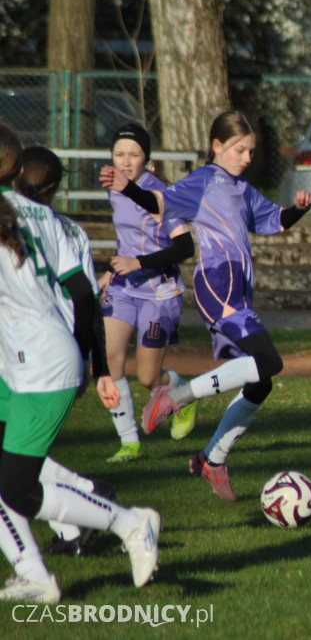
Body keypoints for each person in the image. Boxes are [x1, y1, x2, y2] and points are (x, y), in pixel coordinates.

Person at [100, 110, 311, 502]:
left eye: (250, 150)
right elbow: (157, 200)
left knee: (260, 382)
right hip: (218, 283)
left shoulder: (242, 188)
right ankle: (176, 397)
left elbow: (275, 220)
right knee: (269, 362)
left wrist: (299, 209)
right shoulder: (202, 181)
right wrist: (128, 187)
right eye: (239, 149)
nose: (246, 157)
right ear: (217, 146)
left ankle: (211, 459)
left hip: (238, 290)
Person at [0, 123, 160, 602]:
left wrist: (94, 364)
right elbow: (79, 294)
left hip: (41, 365)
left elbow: (82, 296)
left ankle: (130, 523)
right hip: (22, 359)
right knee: (10, 482)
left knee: (17, 491)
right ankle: (35, 574)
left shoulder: (12, 214)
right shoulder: (34, 214)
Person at [11, 145, 123, 555]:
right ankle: (74, 528)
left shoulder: (14, 222)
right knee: (17, 450)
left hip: (28, 349)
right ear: (56, 188)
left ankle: (88, 497)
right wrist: (97, 367)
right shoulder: (70, 230)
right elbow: (87, 299)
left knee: (15, 453)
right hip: (61, 349)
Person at [97, 123, 197, 462]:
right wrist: (111, 273)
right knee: (112, 359)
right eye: (119, 154)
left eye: (134, 155)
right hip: (124, 288)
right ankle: (129, 442)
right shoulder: (113, 187)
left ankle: (183, 395)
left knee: (147, 377)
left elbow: (185, 246)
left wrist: (138, 263)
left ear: (148, 159)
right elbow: (126, 239)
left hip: (159, 292)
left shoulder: (162, 196)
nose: (125, 162)